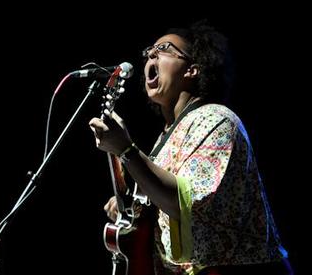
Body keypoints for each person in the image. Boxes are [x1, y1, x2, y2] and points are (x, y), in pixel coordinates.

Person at [89, 21, 293, 275]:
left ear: (192, 70)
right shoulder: (165, 139)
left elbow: (184, 201)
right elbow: (163, 209)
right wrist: (132, 208)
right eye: (149, 52)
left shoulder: (217, 119)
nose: (151, 55)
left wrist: (127, 151)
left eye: (163, 49)